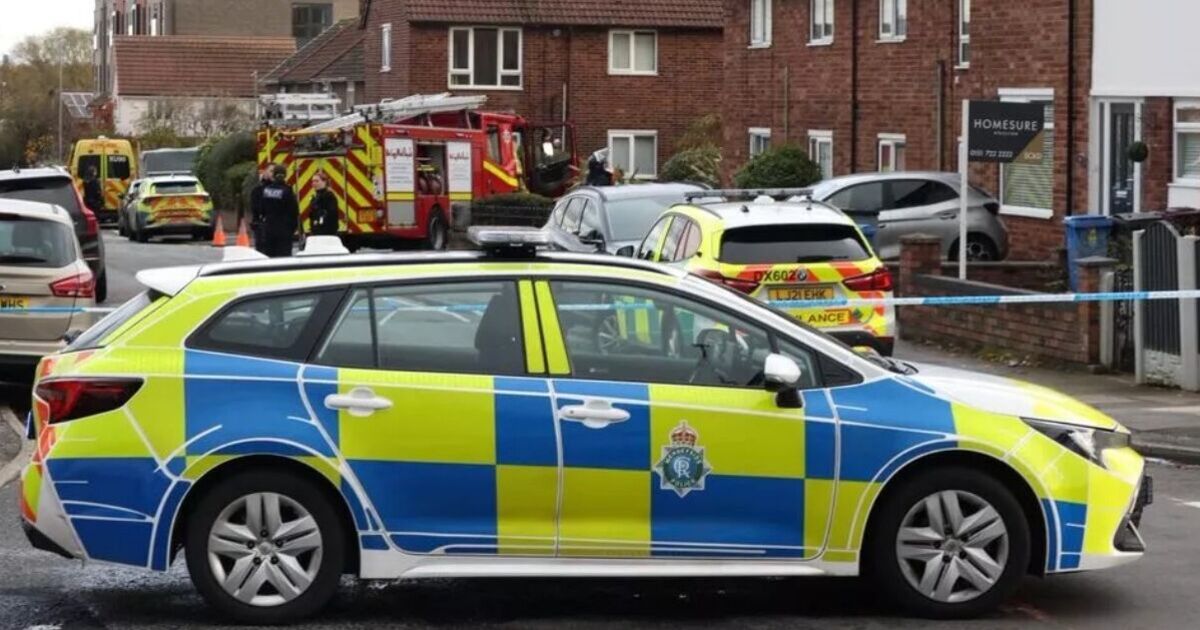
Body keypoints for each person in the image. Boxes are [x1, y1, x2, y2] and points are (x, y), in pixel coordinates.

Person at [258, 165, 300, 258]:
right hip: (284, 231)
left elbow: (261, 210)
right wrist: (293, 228)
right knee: (284, 259)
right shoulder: (287, 191)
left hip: (269, 229)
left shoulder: (267, 190)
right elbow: (294, 211)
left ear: (274, 175)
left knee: (270, 258)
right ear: (285, 175)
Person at [308, 172, 340, 237]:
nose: (314, 183)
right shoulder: (316, 196)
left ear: (324, 182)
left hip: (327, 233)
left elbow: (331, 214)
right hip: (316, 231)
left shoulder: (329, 196)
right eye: (313, 181)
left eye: (317, 181)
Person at [249, 168, 272, 255]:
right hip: (262, 227)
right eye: (271, 171)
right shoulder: (258, 191)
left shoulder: (285, 189)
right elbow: (255, 209)